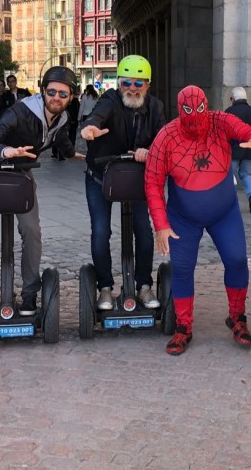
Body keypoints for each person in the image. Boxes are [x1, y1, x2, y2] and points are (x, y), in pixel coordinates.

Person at [144, 85, 251, 355]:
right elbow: (152, 183)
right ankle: (183, 326)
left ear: (207, 105)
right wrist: (161, 225)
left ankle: (238, 318)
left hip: (224, 212)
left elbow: (242, 128)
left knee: (237, 259)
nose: (195, 116)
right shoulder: (166, 136)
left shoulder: (220, 120)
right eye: (188, 110)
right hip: (183, 217)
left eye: (199, 108)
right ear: (179, 110)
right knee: (181, 268)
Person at [0, 66, 83, 318]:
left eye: (63, 94)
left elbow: (59, 136)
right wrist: (4, 151)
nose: (56, 97)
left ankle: (30, 294)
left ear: (71, 97)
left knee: (32, 231)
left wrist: (71, 153)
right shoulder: (19, 112)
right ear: (43, 91)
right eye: (52, 91)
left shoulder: (62, 117)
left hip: (20, 173)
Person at [80, 55, 166, 310]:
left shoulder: (156, 108)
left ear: (147, 85)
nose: (132, 88)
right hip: (101, 175)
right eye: (126, 82)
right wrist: (90, 127)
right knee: (101, 231)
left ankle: (144, 286)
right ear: (118, 83)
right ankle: (105, 288)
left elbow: (163, 139)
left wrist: (150, 150)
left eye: (138, 84)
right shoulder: (110, 100)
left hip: (137, 178)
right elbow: (96, 117)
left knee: (144, 230)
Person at [225, 86, 251, 215]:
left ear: (233, 99)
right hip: (249, 150)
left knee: (230, 175)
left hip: (234, 150)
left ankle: (231, 203)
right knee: (246, 174)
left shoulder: (229, 111)